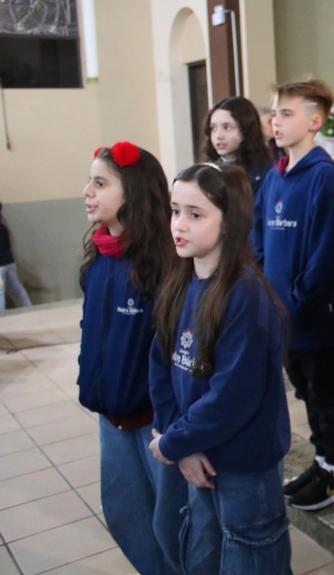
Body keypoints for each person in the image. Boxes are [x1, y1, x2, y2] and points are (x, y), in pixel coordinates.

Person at [148, 163, 291, 573]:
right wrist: (181, 439)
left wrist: (177, 442)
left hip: (244, 462)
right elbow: (160, 364)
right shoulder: (179, 281)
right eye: (176, 210)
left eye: (195, 214)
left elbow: (233, 396)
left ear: (229, 223)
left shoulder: (246, 294)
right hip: (199, 450)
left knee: (250, 557)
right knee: (201, 554)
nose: (179, 224)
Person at [78, 142, 185, 574]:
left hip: (155, 425)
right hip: (112, 419)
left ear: (133, 192)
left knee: (175, 529)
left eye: (100, 183)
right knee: (127, 518)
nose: (87, 191)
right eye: (89, 181)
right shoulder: (98, 257)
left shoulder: (164, 264)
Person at [252, 79, 334, 511]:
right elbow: (258, 232)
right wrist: (264, 287)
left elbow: (325, 251)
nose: (276, 122)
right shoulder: (276, 175)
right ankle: (322, 461)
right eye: (275, 113)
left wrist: (294, 300)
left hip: (311, 315)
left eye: (287, 114)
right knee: (304, 391)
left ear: (315, 121)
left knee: (324, 390)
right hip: (280, 312)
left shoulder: (322, 175)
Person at [202, 96, 273, 197]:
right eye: (213, 128)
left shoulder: (263, 173)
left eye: (227, 127)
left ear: (246, 130)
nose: (218, 135)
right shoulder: (207, 169)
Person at [0, 202, 32, 312]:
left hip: (0, 266)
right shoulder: (3, 228)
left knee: (0, 292)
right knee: (17, 287)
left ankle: (1, 314)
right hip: (10, 262)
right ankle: (28, 306)